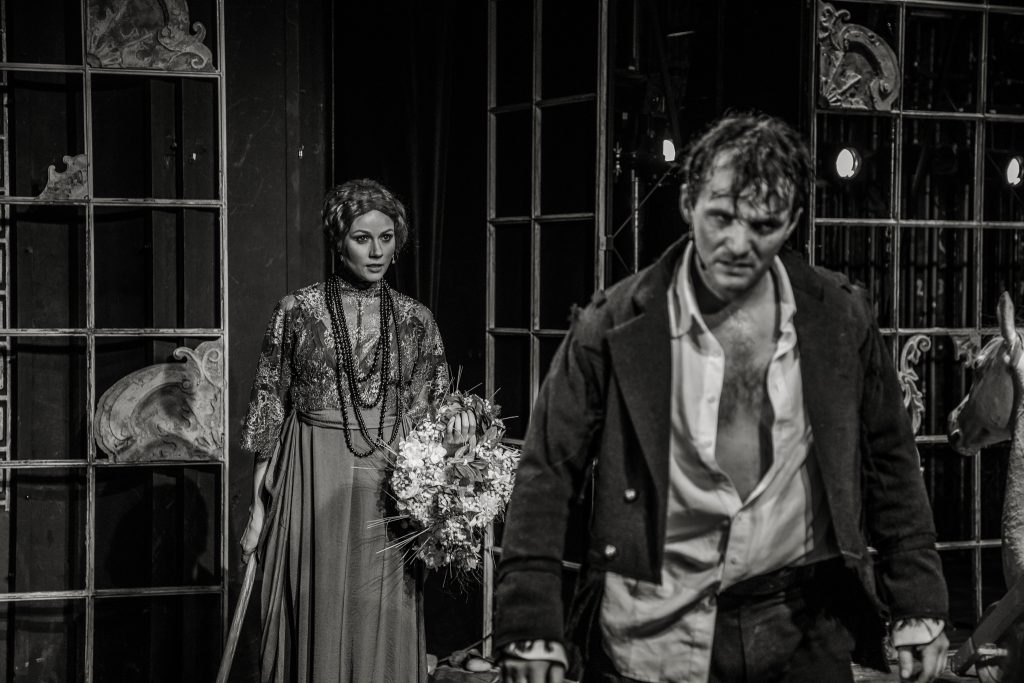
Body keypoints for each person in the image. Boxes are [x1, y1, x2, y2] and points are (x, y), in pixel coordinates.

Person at [494, 113, 950, 683]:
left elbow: (889, 458)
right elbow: (547, 471)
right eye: (722, 217)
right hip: (654, 622)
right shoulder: (613, 324)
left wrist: (917, 599)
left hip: (800, 621)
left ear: (793, 222)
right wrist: (530, 617)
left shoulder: (839, 317)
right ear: (688, 203)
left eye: (764, 224)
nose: (738, 243)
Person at [238, 178, 474, 682]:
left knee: (378, 611)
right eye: (362, 238)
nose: (376, 251)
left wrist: (458, 435)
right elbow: (268, 412)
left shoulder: (415, 320)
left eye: (386, 238)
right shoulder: (297, 311)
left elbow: (434, 415)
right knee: (315, 598)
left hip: (385, 488)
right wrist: (257, 509)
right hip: (311, 478)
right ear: (338, 240)